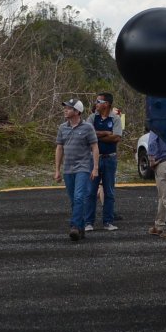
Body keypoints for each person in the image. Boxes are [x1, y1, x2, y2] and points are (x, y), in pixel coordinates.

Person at [54, 98, 98, 241]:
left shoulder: (87, 127)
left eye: (69, 108)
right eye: (65, 107)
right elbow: (59, 148)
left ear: (77, 111)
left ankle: (74, 226)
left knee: (79, 197)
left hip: (83, 167)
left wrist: (95, 167)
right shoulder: (62, 127)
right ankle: (80, 227)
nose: (65, 110)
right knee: (74, 200)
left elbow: (94, 147)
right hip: (68, 169)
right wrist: (57, 170)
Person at [87, 92, 123, 231]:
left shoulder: (115, 118)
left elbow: (116, 138)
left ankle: (108, 221)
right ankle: (88, 222)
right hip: (94, 159)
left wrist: (98, 135)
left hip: (110, 158)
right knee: (91, 191)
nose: (96, 103)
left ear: (106, 104)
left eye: (98, 101)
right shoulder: (91, 117)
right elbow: (88, 134)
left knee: (109, 191)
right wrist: (106, 133)